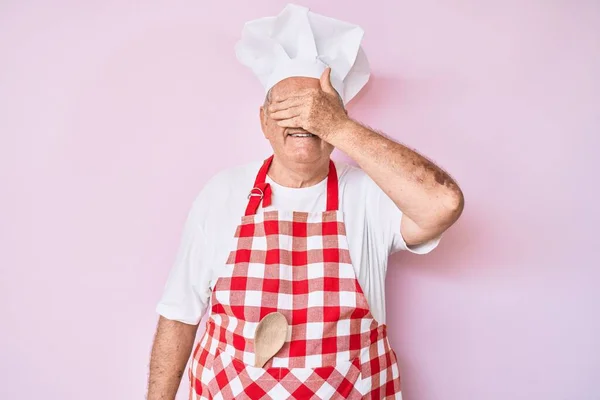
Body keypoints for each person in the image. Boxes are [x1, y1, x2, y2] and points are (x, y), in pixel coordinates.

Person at [147, 4, 464, 400]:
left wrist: (337, 126)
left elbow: (444, 203)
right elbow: (179, 314)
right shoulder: (222, 192)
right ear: (263, 120)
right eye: (287, 107)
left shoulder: (369, 195)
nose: (303, 119)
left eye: (317, 108)